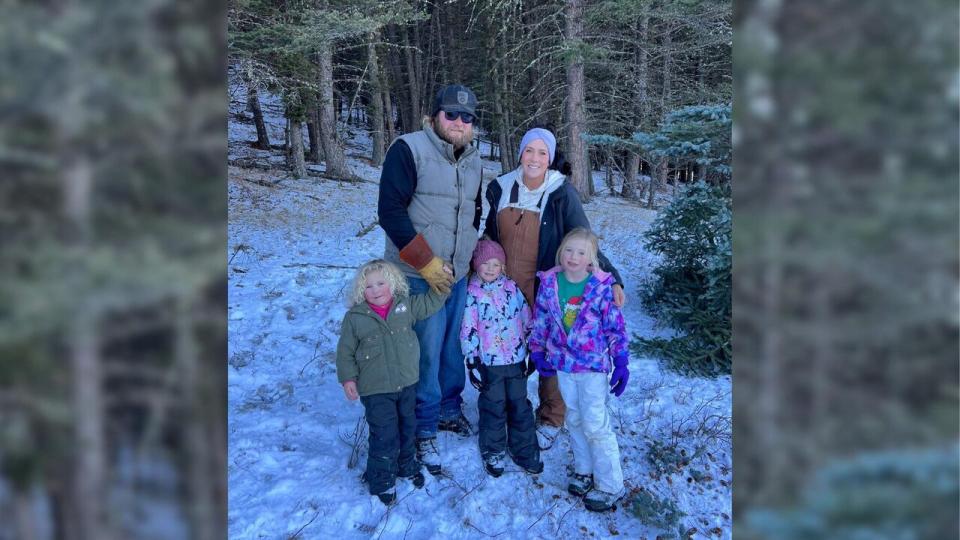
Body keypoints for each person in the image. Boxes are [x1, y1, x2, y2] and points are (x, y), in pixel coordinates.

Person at [482, 127, 625, 435]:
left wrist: (612, 279)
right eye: (529, 151)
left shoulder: (561, 192)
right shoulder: (501, 188)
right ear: (520, 153)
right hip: (505, 289)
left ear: (550, 158)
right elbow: (489, 239)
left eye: (542, 152)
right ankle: (510, 406)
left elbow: (583, 239)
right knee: (506, 348)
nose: (534, 158)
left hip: (545, 288)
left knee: (551, 345)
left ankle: (552, 415)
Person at [377, 84, 483, 475]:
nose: (459, 123)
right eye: (451, 114)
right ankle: (423, 427)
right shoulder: (408, 149)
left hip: (457, 274)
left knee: (452, 346)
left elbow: (473, 213)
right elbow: (390, 211)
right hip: (417, 275)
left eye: (467, 117)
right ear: (435, 115)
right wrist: (426, 264)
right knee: (426, 348)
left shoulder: (474, 160)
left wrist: (470, 259)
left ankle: (449, 409)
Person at [528, 228, 630, 512]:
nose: (573, 257)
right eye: (569, 250)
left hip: (592, 366)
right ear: (561, 251)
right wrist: (537, 350)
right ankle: (584, 470)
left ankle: (611, 484)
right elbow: (542, 320)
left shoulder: (600, 286)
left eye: (581, 252)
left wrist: (621, 360)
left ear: (591, 259)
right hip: (563, 364)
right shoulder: (550, 283)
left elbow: (615, 328)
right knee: (573, 418)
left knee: (596, 423)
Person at [335, 260, 448, 504]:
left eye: (380, 283)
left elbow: (430, 303)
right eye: (368, 287)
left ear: (393, 283)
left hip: (407, 383)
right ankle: (381, 479)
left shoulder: (405, 307)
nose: (375, 290)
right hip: (376, 390)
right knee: (385, 434)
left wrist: (443, 284)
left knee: (407, 427)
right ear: (360, 292)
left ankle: (407, 465)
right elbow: (344, 352)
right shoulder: (355, 318)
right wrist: (348, 379)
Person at [459, 239, 543, 477]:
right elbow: (468, 328)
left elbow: (526, 318)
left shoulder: (512, 289)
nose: (490, 268)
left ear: (503, 267)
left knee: (519, 405)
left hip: (516, 359)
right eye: (485, 263)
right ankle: (493, 449)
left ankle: (524, 449)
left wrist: (534, 348)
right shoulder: (472, 294)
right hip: (490, 363)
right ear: (476, 265)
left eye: (495, 264)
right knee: (494, 405)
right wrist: (472, 359)